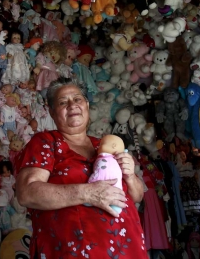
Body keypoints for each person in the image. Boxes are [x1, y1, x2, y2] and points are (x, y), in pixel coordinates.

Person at [15, 77, 148, 258]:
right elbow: (27, 193)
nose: (72, 105)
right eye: (63, 102)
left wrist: (131, 176)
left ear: (86, 105)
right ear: (53, 113)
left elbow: (136, 196)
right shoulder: (46, 142)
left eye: (77, 99)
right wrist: (89, 193)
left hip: (127, 249)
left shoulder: (105, 145)